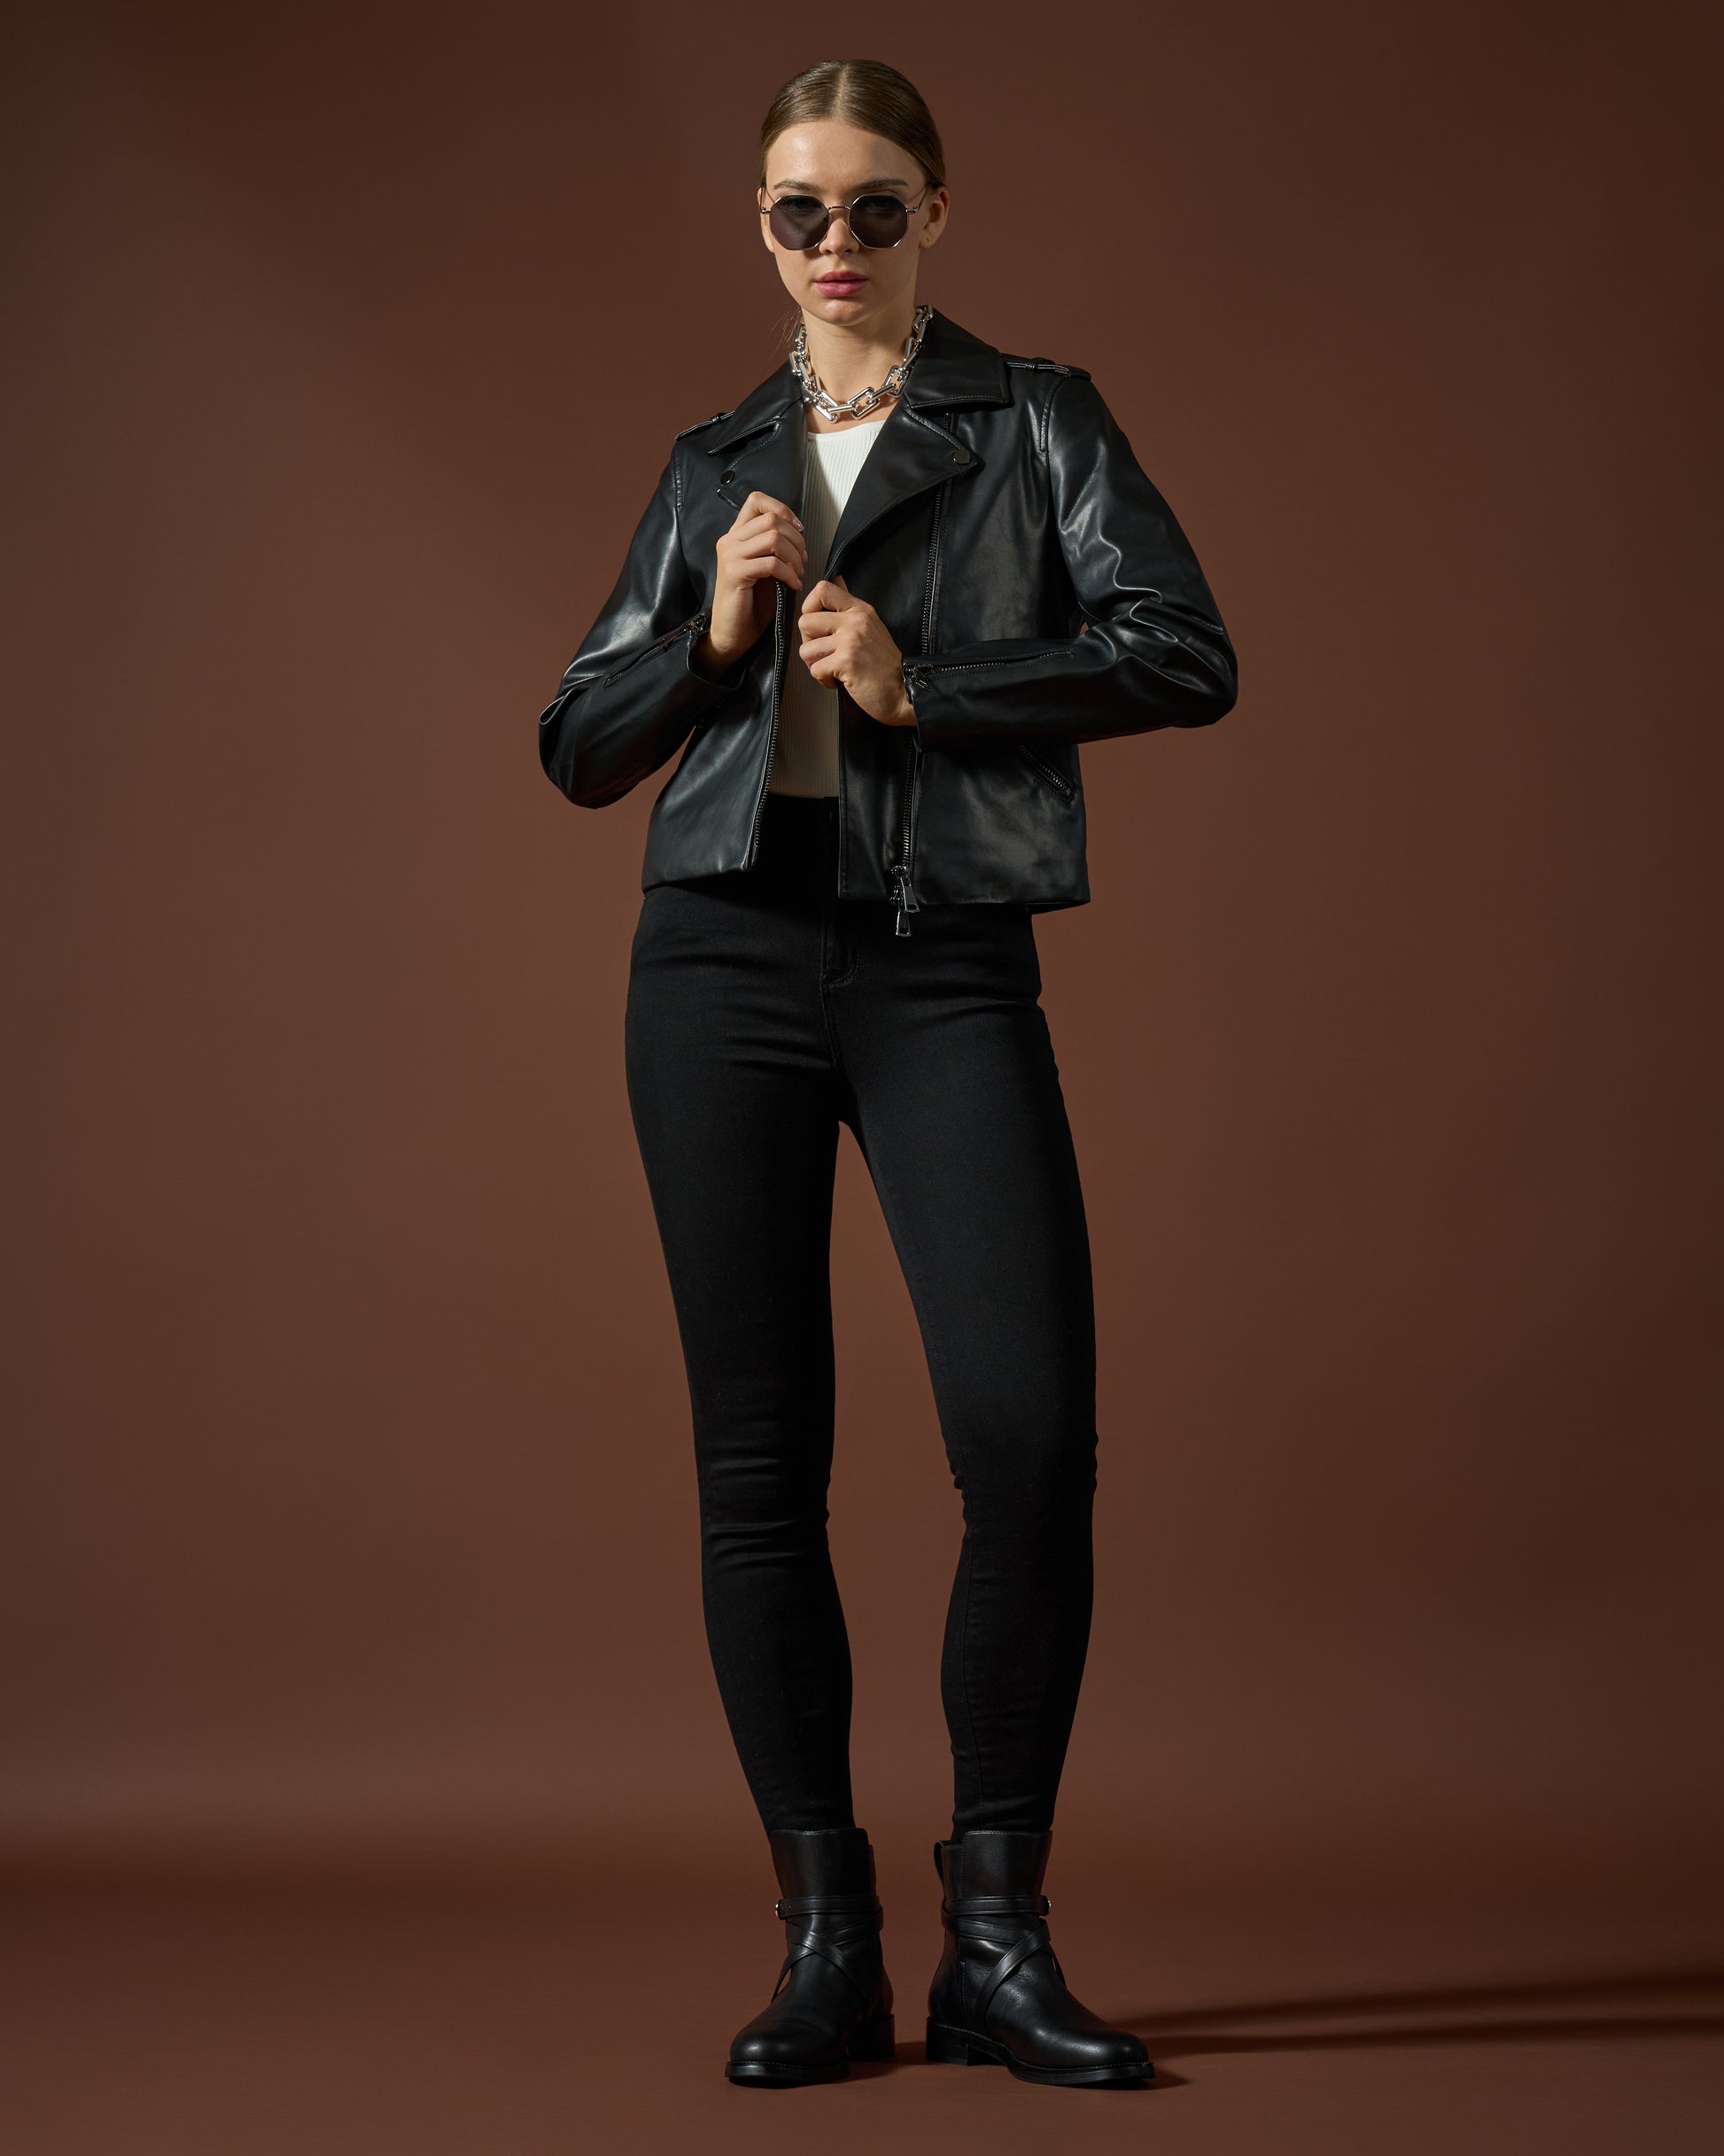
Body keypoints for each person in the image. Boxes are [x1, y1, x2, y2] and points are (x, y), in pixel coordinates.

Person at [537, 58, 1238, 2091]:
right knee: (759, 1465)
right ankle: (826, 1940)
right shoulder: (712, 463)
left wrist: (929, 685)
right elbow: (576, 742)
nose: (832, 244)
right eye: (797, 210)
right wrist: (713, 640)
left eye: (870, 206)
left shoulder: (1031, 418)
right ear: (761, 227)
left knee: (1025, 1439)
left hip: (943, 966)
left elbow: (1183, 648)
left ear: (936, 210)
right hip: (719, 967)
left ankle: (994, 1941)